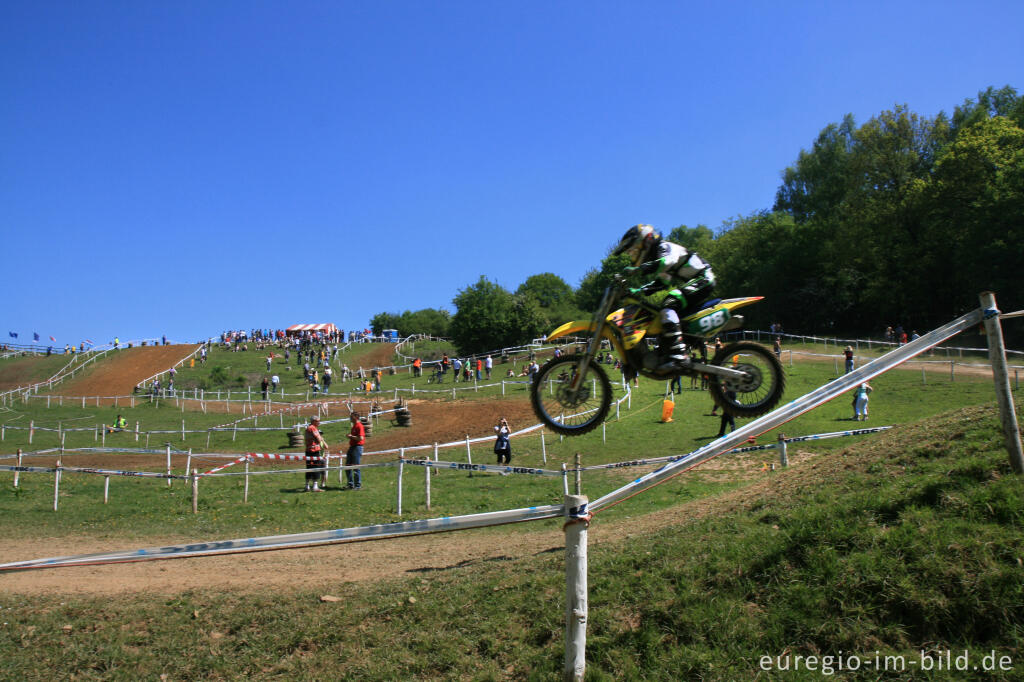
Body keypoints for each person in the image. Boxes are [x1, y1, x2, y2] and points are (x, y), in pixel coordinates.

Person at [612, 224, 715, 372]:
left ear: (644, 242)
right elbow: (661, 283)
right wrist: (637, 291)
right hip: (700, 281)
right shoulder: (661, 256)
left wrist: (639, 269)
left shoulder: (664, 247)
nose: (632, 255)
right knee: (662, 310)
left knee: (670, 303)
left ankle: (679, 354)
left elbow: (667, 262)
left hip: (704, 279)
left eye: (633, 251)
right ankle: (671, 350)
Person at [304, 416, 328, 492]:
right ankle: (315, 486)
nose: (319, 422)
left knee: (309, 468)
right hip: (314, 451)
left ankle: (307, 486)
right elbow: (318, 439)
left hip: (308, 450)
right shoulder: (313, 428)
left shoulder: (308, 428)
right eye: (318, 421)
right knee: (316, 468)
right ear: (313, 421)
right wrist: (320, 439)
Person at [346, 411, 365, 489]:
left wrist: (351, 436)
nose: (350, 417)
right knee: (347, 466)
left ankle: (357, 485)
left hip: (357, 447)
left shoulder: (359, 426)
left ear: (356, 417)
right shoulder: (354, 426)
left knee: (356, 466)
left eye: (352, 416)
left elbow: (361, 438)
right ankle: (350, 484)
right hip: (352, 447)